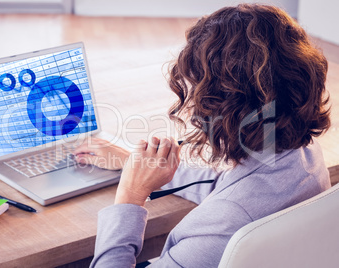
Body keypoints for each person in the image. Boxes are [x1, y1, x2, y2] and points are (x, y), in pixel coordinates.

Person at [73, 4, 331, 267]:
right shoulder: (305, 156)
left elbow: (228, 208)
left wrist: (130, 194)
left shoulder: (225, 225)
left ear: (224, 104)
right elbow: (229, 189)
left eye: (198, 89)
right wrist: (133, 163)